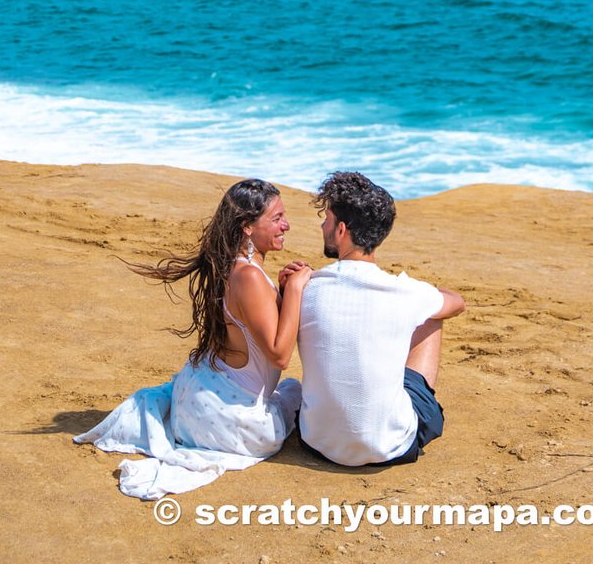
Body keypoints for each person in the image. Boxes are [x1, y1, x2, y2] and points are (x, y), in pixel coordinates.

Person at [75, 178, 310, 498]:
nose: (287, 225)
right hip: (224, 421)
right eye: (277, 218)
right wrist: (295, 291)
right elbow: (279, 356)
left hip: (194, 403)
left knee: (289, 392)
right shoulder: (250, 276)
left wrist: (281, 291)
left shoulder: (231, 265)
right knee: (294, 393)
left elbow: (251, 325)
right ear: (247, 227)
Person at [287, 171, 465, 467]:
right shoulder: (405, 292)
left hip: (317, 441)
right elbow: (457, 303)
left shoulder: (306, 287)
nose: (323, 225)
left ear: (341, 230)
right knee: (432, 317)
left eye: (327, 219)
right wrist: (425, 291)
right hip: (389, 447)